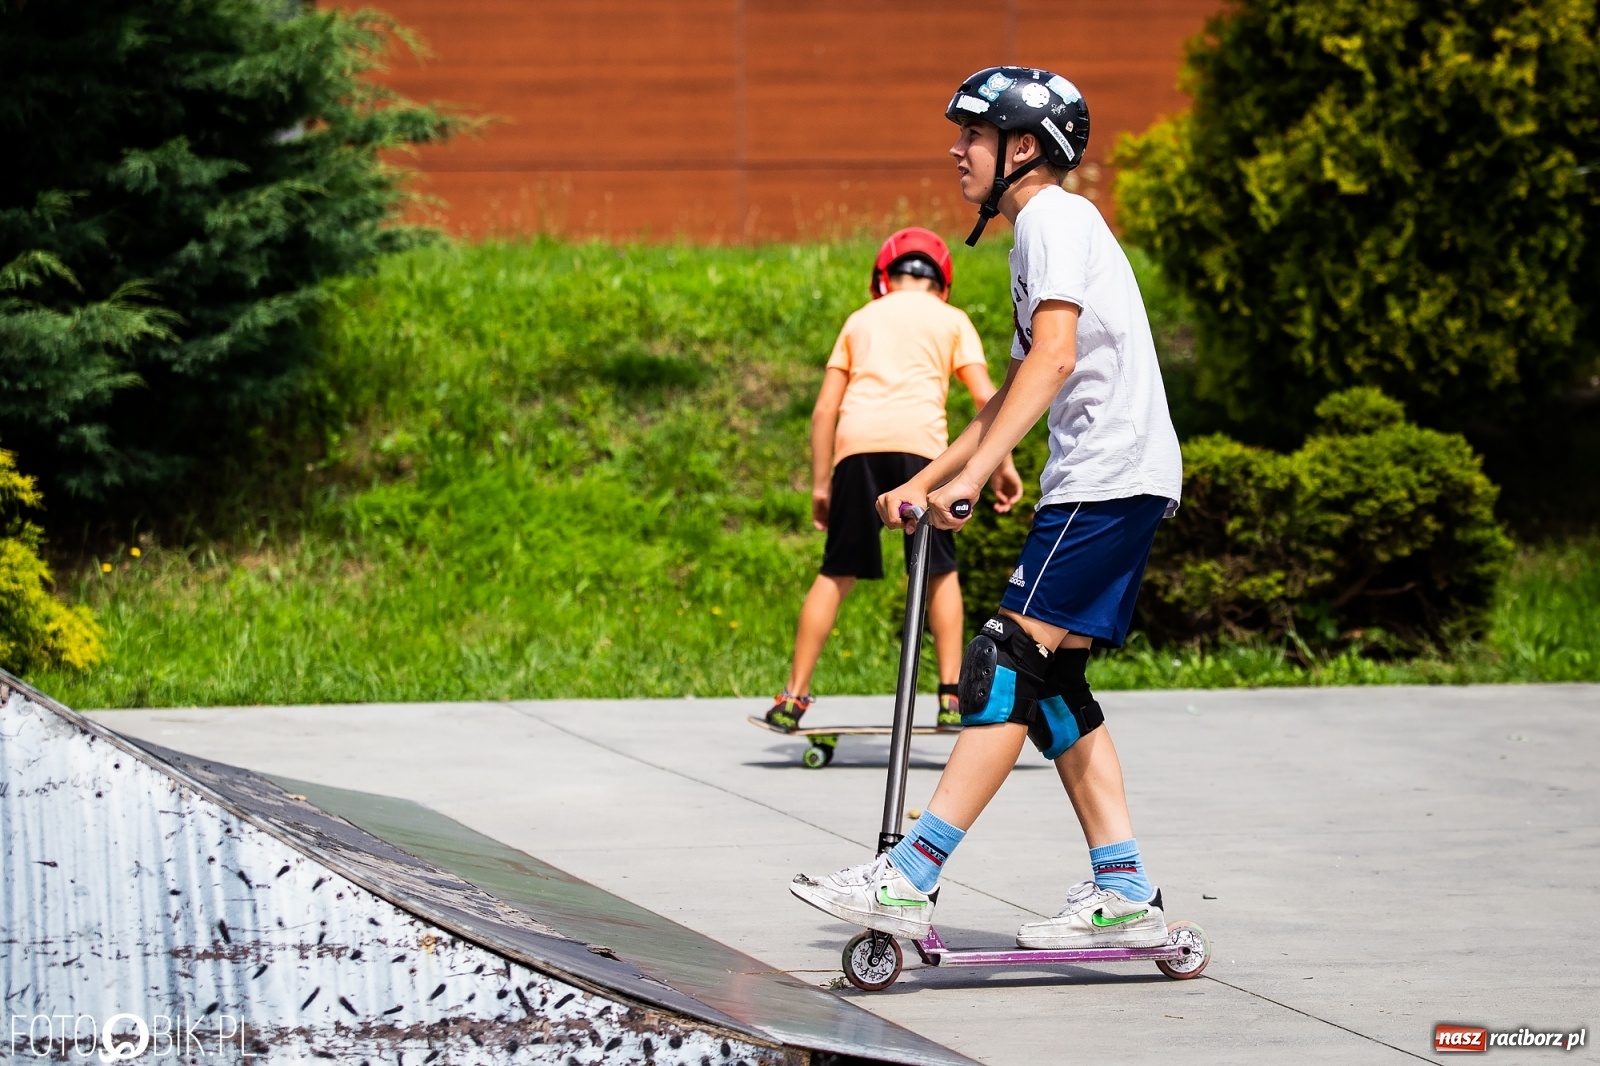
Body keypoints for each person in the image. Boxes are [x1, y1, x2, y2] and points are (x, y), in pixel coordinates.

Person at [790, 66, 1183, 951]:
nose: (956, 149)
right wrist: (933, 476)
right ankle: (1124, 889)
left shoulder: (1052, 219)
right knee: (1055, 687)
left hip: (1107, 475)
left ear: (1024, 147)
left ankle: (911, 874)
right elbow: (1011, 386)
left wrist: (973, 480)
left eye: (973, 133)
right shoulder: (1035, 237)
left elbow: (1054, 359)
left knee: (1003, 660)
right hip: (1110, 476)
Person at [764, 227, 1023, 734]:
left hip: (856, 451)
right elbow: (986, 396)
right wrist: (1002, 466)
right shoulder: (952, 319)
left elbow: (824, 410)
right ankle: (950, 695)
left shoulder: (860, 319)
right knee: (939, 570)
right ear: (942, 282)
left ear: (882, 277)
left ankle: (793, 697)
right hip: (923, 456)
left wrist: (821, 486)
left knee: (836, 571)